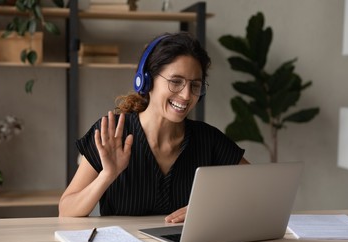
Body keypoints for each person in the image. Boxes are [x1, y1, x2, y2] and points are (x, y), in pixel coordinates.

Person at [58, 32, 249, 222]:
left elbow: (258, 188)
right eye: (176, 82)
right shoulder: (113, 132)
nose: (186, 95)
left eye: (195, 85)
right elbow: (66, 210)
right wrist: (107, 176)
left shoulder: (208, 139)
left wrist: (210, 206)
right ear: (147, 81)